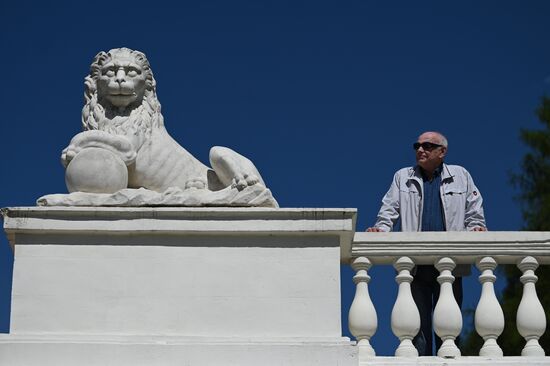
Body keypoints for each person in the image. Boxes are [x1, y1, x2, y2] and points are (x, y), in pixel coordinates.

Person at [367, 131, 486, 356]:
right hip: (415, 265)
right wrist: (381, 229)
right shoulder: (402, 176)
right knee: (416, 331)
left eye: (428, 146)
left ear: (442, 152)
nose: (420, 150)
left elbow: (474, 209)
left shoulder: (461, 175)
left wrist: (476, 227)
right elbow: (389, 208)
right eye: (417, 146)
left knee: (448, 330)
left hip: (450, 264)